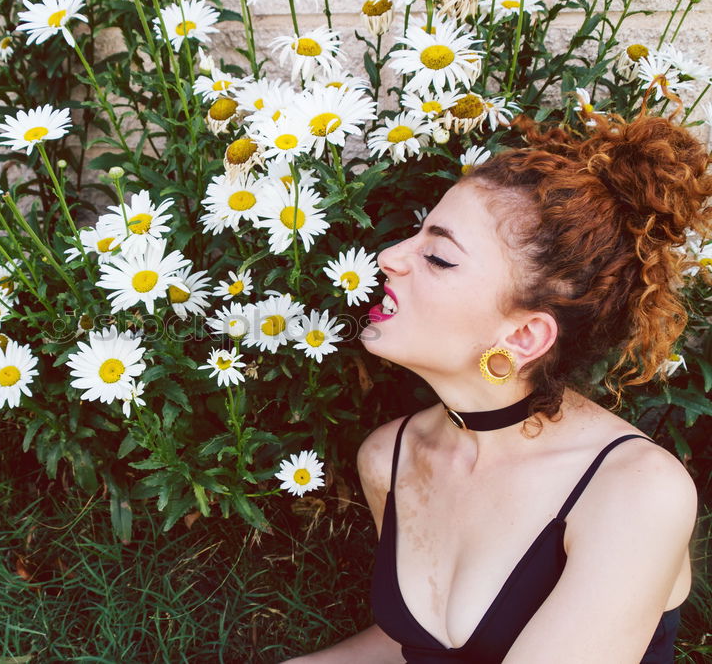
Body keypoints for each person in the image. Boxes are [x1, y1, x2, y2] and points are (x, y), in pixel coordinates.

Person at [285, 110, 711, 663]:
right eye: (415, 235)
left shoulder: (633, 491)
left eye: (437, 257)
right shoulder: (388, 458)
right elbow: (409, 647)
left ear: (526, 335)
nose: (389, 258)